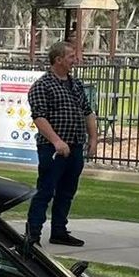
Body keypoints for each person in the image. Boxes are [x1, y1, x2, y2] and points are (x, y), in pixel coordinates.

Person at [25, 40, 92, 247]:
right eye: (71, 56)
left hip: (75, 145)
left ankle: (59, 230)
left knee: (67, 191)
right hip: (52, 149)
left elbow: (88, 111)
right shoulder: (42, 86)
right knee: (46, 190)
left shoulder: (76, 85)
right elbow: (39, 117)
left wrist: (94, 139)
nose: (75, 60)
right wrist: (56, 141)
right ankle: (33, 233)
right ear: (58, 59)